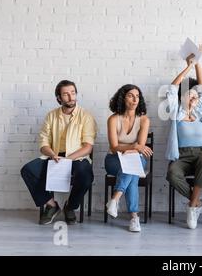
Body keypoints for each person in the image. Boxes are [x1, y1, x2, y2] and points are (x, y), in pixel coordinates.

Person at [21, 80, 97, 225]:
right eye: (66, 94)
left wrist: (68, 159)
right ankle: (51, 205)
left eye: (73, 93)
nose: (71, 97)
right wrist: (52, 155)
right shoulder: (51, 116)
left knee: (86, 176)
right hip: (54, 156)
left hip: (77, 158)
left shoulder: (86, 116)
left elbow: (88, 147)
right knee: (28, 170)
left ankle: (70, 207)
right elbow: (43, 144)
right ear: (59, 98)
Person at [165, 45, 202, 229]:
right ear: (182, 98)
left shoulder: (201, 112)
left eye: (197, 97)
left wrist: (198, 64)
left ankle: (191, 207)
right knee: (172, 174)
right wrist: (188, 65)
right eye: (191, 95)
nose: (195, 98)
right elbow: (172, 88)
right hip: (182, 155)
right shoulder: (175, 113)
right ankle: (196, 203)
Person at [105, 85, 153, 232]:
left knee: (132, 167)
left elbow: (141, 146)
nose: (135, 99)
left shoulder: (144, 120)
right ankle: (134, 217)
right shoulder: (113, 119)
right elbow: (114, 147)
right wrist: (133, 147)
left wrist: (131, 148)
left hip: (135, 158)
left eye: (137, 96)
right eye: (131, 95)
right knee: (132, 173)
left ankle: (115, 199)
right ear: (123, 98)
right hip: (114, 159)